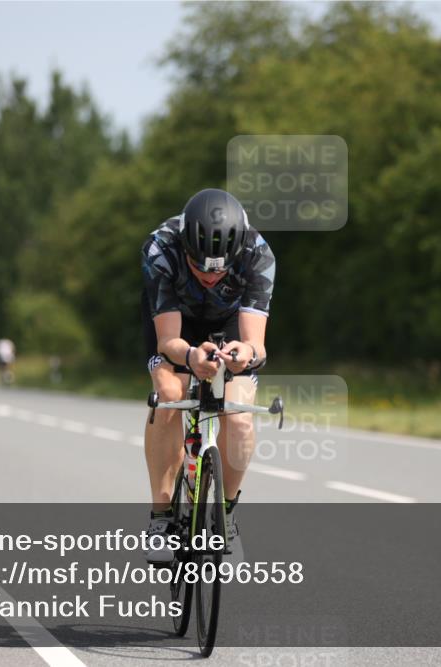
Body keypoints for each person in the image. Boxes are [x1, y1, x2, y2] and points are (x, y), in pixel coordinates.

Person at [141, 188, 275, 563]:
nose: (210, 278)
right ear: (185, 247)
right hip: (175, 323)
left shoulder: (257, 254)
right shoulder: (161, 248)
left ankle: (226, 518)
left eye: (220, 270)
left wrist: (243, 353)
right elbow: (167, 339)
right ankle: (162, 518)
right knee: (170, 394)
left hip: (230, 322)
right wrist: (190, 355)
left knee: (241, 417)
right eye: (200, 268)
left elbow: (256, 346)